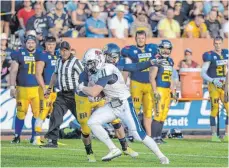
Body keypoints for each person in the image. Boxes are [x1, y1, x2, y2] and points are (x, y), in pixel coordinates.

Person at [77, 48, 169, 164]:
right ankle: (113, 149)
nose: (89, 66)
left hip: (125, 103)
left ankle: (161, 156)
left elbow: (94, 91)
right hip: (113, 104)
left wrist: (82, 88)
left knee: (137, 135)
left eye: (91, 63)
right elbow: (100, 93)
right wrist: (95, 95)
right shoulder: (97, 71)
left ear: (99, 60)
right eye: (88, 64)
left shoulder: (107, 69)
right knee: (92, 122)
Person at [40, 41, 84, 148]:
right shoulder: (59, 61)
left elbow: (84, 75)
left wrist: (85, 90)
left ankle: (94, 134)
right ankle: (52, 141)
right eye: (61, 50)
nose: (63, 53)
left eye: (65, 50)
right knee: (55, 116)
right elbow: (55, 74)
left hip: (75, 94)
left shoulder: (76, 62)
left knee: (82, 118)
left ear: (69, 50)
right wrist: (49, 88)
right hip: (62, 94)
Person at [121, 30, 157, 136]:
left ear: (145, 39)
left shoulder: (152, 49)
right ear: (135, 39)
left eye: (142, 38)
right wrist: (123, 83)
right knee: (134, 109)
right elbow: (126, 69)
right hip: (136, 82)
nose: (140, 40)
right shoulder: (131, 51)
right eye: (138, 38)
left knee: (148, 110)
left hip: (149, 84)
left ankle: (149, 136)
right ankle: (133, 133)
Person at [10, 35, 40, 144]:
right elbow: (13, 71)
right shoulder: (19, 53)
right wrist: (12, 86)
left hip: (37, 89)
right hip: (22, 89)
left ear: (35, 43)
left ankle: (34, 137)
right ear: (25, 43)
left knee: (37, 113)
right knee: (21, 112)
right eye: (28, 42)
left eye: (32, 42)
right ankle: (17, 136)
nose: (30, 44)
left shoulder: (40, 54)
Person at [149, 40, 177, 144]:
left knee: (163, 114)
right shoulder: (156, 60)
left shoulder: (170, 61)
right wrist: (155, 91)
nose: (166, 51)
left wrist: (173, 90)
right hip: (159, 89)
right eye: (164, 48)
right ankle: (153, 138)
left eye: (168, 49)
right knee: (158, 114)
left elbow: (171, 78)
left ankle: (158, 137)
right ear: (160, 48)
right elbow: (151, 77)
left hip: (167, 90)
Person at [201, 36, 228, 142]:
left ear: (222, 43)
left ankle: (227, 134)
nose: (217, 45)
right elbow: (202, 72)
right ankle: (214, 134)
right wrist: (212, 80)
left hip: (225, 84)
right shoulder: (210, 55)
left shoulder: (226, 53)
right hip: (214, 85)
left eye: (219, 43)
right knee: (214, 109)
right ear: (213, 43)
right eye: (216, 43)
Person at [34, 36, 59, 145]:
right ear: (45, 44)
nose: (51, 46)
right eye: (49, 44)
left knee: (55, 113)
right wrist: (44, 88)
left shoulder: (58, 55)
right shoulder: (42, 55)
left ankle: (51, 139)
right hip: (46, 87)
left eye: (52, 44)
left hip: (57, 88)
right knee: (43, 111)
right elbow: (38, 73)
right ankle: (36, 139)